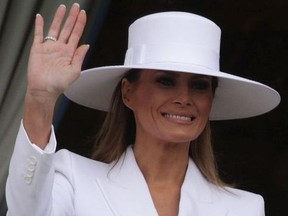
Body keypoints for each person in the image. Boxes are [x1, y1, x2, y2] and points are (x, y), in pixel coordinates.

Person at [6, 3, 280, 216]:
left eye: (199, 86)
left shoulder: (245, 208)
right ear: (128, 92)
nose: (184, 98)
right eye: (165, 81)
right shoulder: (75, 178)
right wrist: (40, 99)